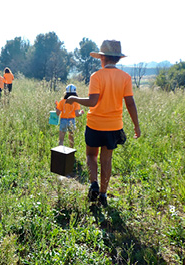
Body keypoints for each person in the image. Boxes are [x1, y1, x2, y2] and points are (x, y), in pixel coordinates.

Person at [66, 40, 141, 207]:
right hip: (114, 126)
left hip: (94, 124)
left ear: (102, 58)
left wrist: (74, 99)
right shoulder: (125, 78)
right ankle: (103, 194)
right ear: (117, 59)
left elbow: (93, 102)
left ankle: (93, 183)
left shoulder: (96, 76)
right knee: (106, 160)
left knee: (91, 155)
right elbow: (130, 103)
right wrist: (136, 125)